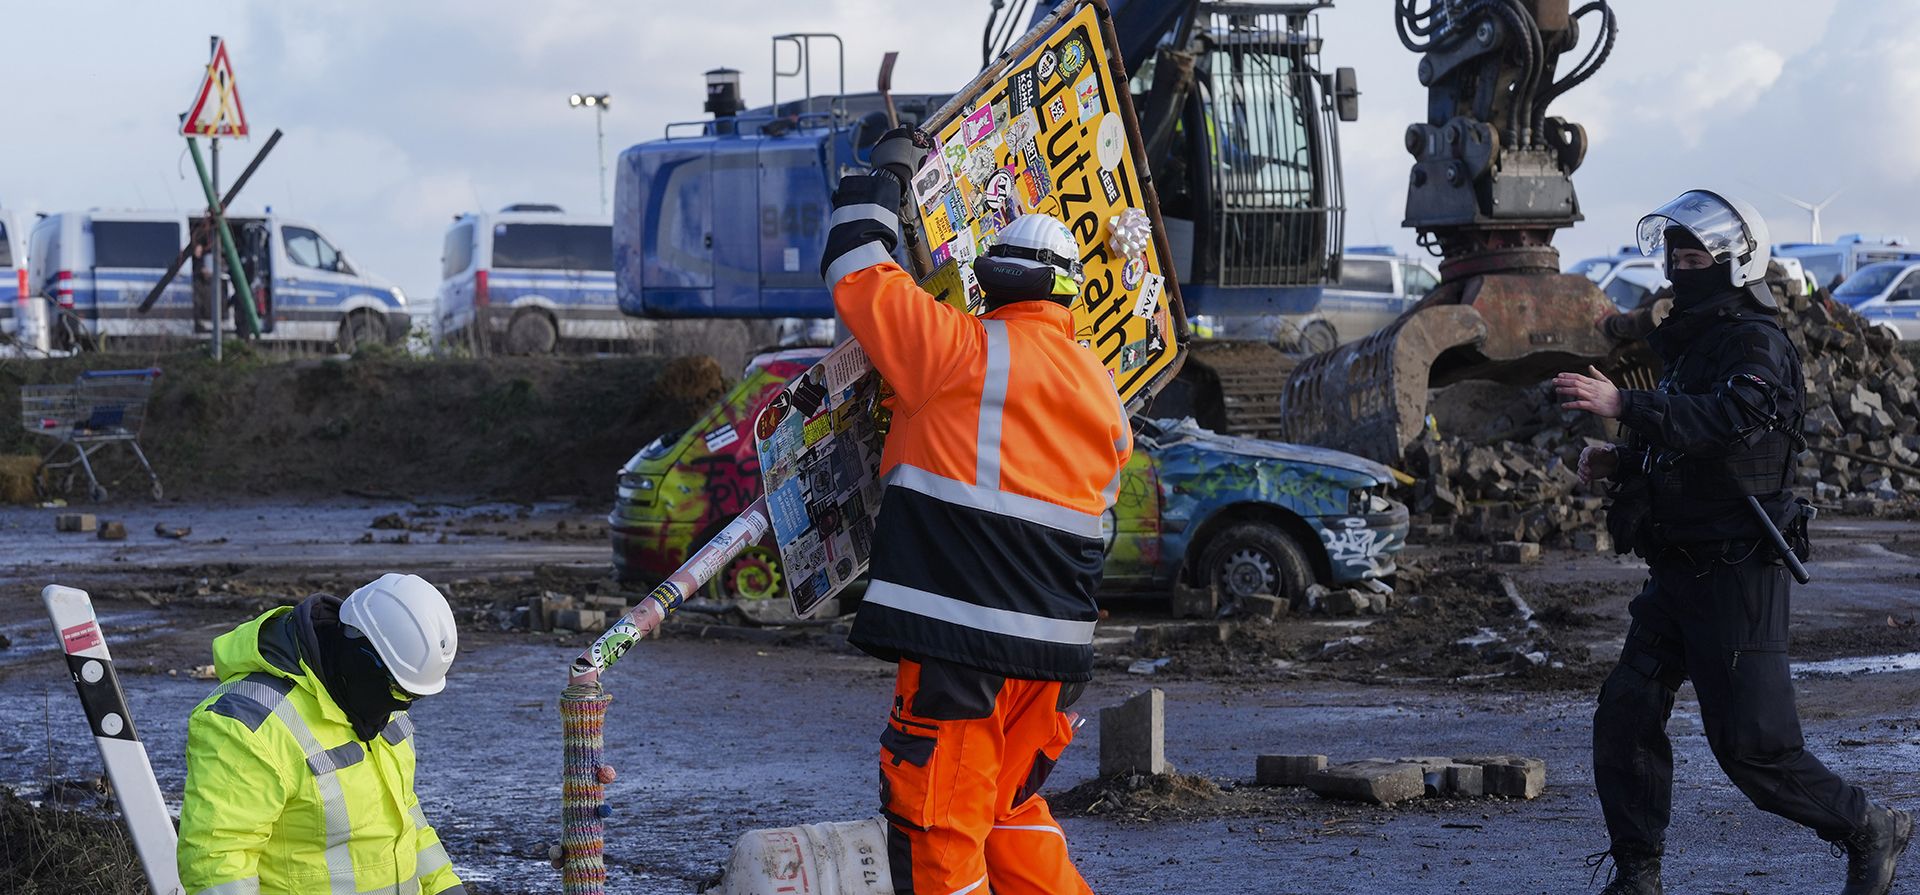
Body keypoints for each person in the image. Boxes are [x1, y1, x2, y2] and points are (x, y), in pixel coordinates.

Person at [1555, 189, 1910, 895]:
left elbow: (1728, 419)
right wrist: (1619, 459)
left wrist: (1625, 405)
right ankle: (1637, 874)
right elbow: (1688, 447)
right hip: (1678, 567)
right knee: (1626, 710)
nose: (1681, 267)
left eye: (1696, 256)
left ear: (1737, 262)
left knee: (1755, 751)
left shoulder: (1756, 341)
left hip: (1737, 570)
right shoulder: (1693, 342)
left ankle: (1869, 825)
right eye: (1675, 254)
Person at [818, 127, 1132, 895]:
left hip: (963, 648)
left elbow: (856, 261)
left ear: (990, 284)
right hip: (1055, 663)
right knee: (1008, 812)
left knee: (940, 829)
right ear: (1068, 295)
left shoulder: (957, 352)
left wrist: (888, 173)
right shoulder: (1105, 396)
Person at [177, 573, 467, 895]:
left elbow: (405, 817)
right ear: (361, 655)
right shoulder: (248, 724)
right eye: (398, 690)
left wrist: (444, 887)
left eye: (413, 695)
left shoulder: (380, 706)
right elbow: (217, 862)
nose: (403, 704)